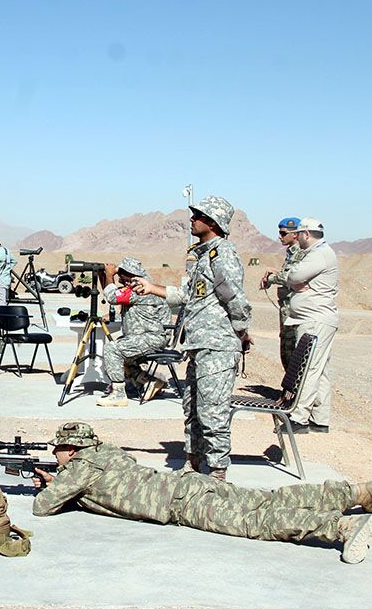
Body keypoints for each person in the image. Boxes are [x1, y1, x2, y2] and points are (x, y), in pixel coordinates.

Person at [32, 422, 372, 564]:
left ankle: (341, 529)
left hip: (183, 504)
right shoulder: (105, 451)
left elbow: (42, 508)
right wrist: (60, 480)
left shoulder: (77, 469)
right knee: (266, 498)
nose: (55, 456)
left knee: (254, 522)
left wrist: (54, 484)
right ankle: (352, 492)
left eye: (58, 450)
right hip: (191, 483)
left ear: (71, 450)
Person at [130, 196, 252, 481]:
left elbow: (236, 299)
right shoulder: (202, 256)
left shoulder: (223, 255)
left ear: (213, 222)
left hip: (218, 345)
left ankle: (218, 473)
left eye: (197, 215)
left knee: (213, 412)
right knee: (193, 407)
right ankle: (194, 462)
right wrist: (152, 288)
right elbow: (188, 296)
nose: (191, 219)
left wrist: (241, 331)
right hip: (199, 345)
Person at [285, 218, 339, 433]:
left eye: (298, 234)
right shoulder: (319, 253)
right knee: (320, 368)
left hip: (315, 319)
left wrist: (293, 279)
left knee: (308, 367)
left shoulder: (319, 254)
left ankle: (299, 417)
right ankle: (320, 417)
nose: (296, 238)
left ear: (306, 234)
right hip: (316, 318)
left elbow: (294, 274)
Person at [98, 257, 171, 407]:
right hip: (146, 335)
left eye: (122, 275)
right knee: (120, 348)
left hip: (151, 337)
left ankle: (118, 394)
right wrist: (104, 275)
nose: (120, 279)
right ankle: (149, 382)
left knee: (112, 349)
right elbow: (139, 312)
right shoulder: (137, 288)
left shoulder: (140, 288)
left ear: (130, 274)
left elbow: (112, 297)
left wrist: (109, 275)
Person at [260, 217, 304, 371]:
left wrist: (271, 279)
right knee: (286, 346)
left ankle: (292, 390)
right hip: (286, 306)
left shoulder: (299, 252)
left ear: (295, 234)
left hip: (292, 307)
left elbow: (290, 277)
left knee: (290, 349)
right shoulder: (291, 252)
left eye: (283, 233)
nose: (280, 236)